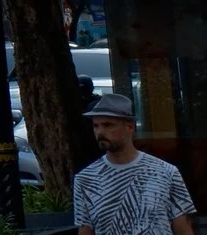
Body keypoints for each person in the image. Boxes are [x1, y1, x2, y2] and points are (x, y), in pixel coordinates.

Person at [74, 93, 196, 235]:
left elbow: (183, 228)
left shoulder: (166, 172)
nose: (100, 132)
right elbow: (85, 231)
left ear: (130, 127)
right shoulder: (85, 179)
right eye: (96, 126)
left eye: (108, 125)